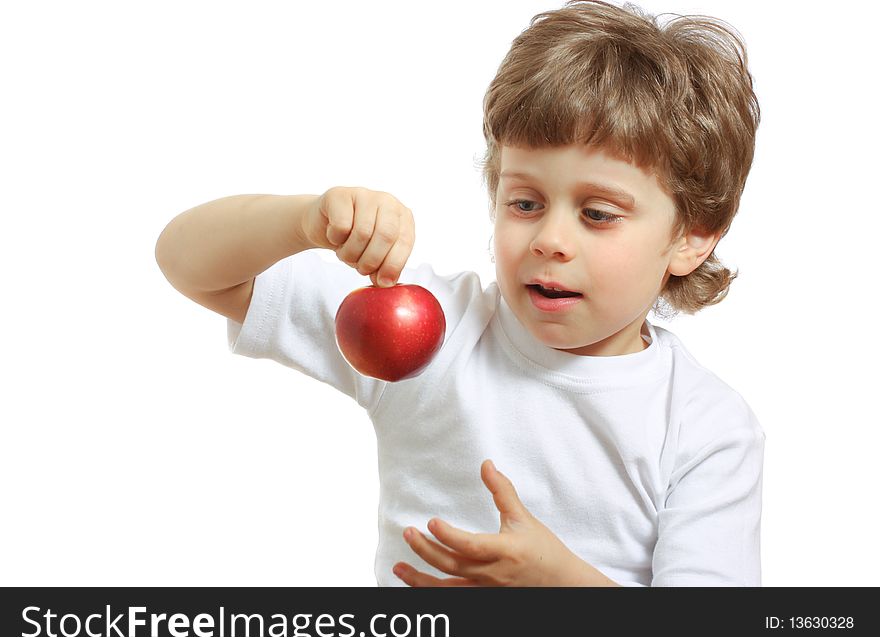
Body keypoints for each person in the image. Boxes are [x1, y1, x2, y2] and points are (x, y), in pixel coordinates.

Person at [155, 0, 764, 586]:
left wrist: (558, 587)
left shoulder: (703, 425)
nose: (550, 239)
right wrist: (304, 221)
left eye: (598, 213)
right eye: (524, 203)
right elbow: (188, 263)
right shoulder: (430, 330)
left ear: (691, 238)